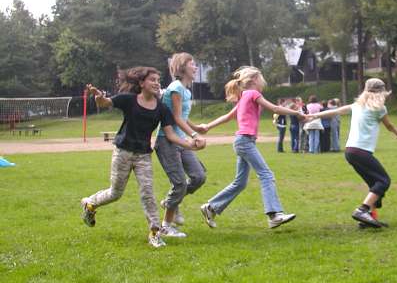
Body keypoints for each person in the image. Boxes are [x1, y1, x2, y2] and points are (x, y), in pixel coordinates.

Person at [81, 67, 205, 248]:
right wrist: (99, 97)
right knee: (115, 193)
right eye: (152, 80)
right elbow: (105, 103)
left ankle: (155, 233)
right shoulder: (128, 100)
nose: (156, 83)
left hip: (143, 156)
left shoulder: (162, 108)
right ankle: (90, 204)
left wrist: (191, 145)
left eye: (158, 80)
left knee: (148, 194)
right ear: (141, 83)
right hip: (123, 152)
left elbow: (171, 135)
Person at [197, 66, 305, 229]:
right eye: (261, 79)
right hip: (245, 141)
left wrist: (207, 126)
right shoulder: (253, 94)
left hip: (242, 142)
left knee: (240, 183)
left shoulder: (243, 97)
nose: (263, 83)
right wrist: (297, 113)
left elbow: (227, 117)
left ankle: (211, 207)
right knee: (266, 175)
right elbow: (275, 108)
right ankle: (274, 215)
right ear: (254, 79)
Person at [307, 78, 397, 228]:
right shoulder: (380, 109)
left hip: (350, 151)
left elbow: (336, 111)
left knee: (374, 184)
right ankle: (362, 210)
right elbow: (389, 125)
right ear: (381, 93)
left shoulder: (357, 105)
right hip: (361, 151)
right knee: (384, 181)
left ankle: (369, 219)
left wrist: (315, 115)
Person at [155, 53, 207, 238]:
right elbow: (176, 118)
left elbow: (182, 116)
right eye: (192, 64)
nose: (196, 67)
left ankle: (170, 202)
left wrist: (195, 127)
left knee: (199, 176)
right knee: (179, 183)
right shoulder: (176, 88)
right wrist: (194, 134)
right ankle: (165, 226)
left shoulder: (186, 90)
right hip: (167, 141)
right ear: (182, 67)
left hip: (181, 140)